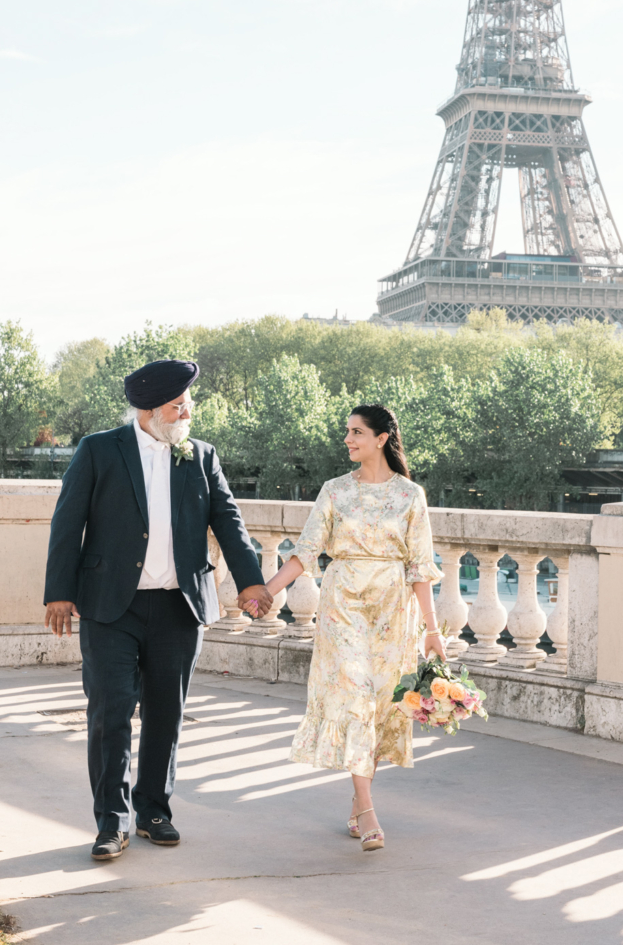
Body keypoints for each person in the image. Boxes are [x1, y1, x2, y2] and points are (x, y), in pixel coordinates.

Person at [43, 358, 272, 862]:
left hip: (179, 607)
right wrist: (58, 591)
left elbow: (228, 522)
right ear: (149, 410)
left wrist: (252, 582)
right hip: (110, 609)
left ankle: (153, 811)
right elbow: (68, 523)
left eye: (187, 402)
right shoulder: (99, 450)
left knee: (166, 714)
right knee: (111, 712)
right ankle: (112, 821)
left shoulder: (201, 455)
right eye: (178, 404)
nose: (188, 411)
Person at [258, 404, 442, 852]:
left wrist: (433, 632)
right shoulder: (335, 491)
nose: (348, 439)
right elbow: (307, 551)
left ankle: (359, 799)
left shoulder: (410, 496)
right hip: (343, 603)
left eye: (357, 432)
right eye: (347, 432)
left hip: (393, 609)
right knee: (356, 695)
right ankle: (367, 808)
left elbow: (420, 568)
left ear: (381, 439)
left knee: (380, 703)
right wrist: (267, 591)